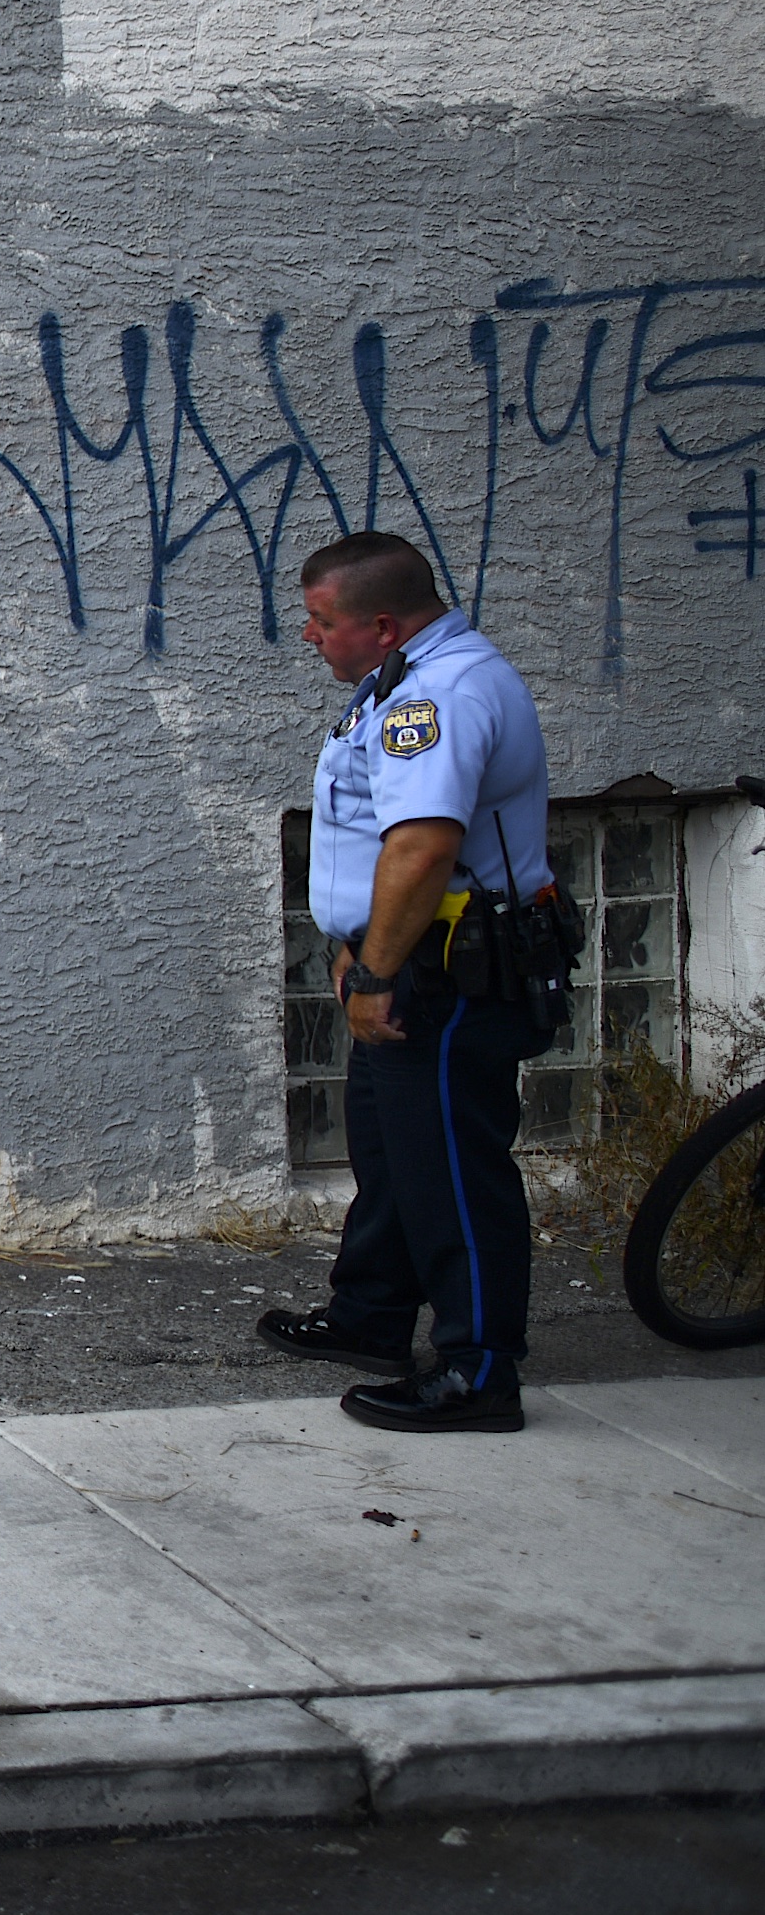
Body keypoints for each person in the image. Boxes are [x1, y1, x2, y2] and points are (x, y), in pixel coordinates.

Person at [257, 530, 556, 1434]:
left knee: (452, 1168)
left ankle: (479, 1368)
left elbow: (423, 846)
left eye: (322, 621)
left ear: (382, 626)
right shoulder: (402, 680)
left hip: (446, 973)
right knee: (391, 1151)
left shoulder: (442, 693)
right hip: (407, 956)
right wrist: (359, 943)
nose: (309, 635)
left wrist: (382, 966)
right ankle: (373, 1315)